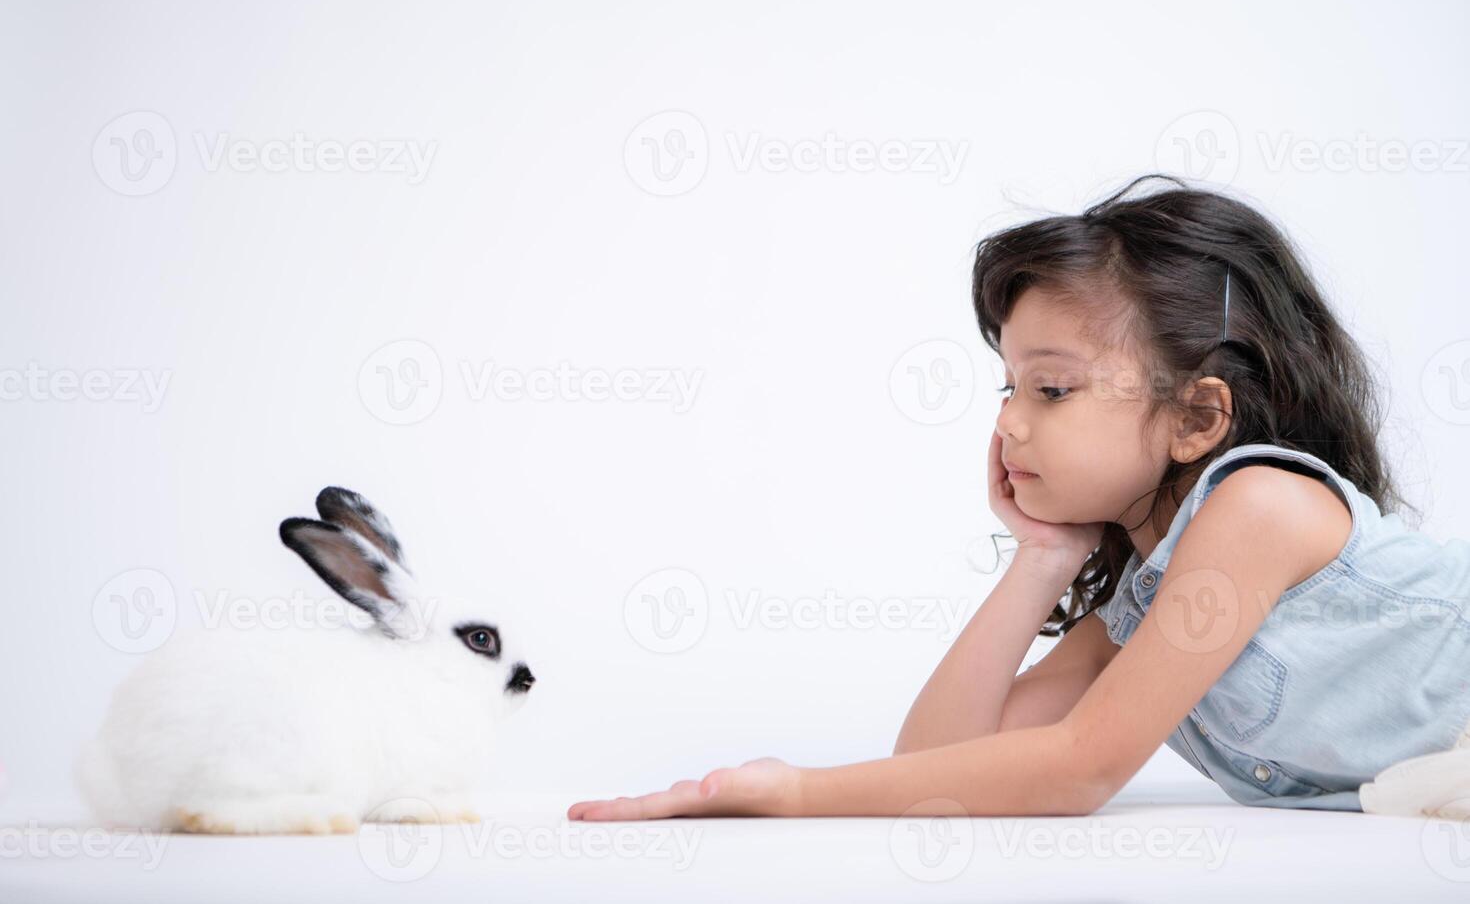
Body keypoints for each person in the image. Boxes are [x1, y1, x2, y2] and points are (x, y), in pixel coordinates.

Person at [567, 174, 1470, 822]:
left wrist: (796, 792)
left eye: (1052, 389)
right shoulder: (1142, 611)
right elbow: (940, 767)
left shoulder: (1259, 508)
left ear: (1196, 418)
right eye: (1008, 388)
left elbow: (1082, 770)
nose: (1010, 424)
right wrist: (1042, 558)